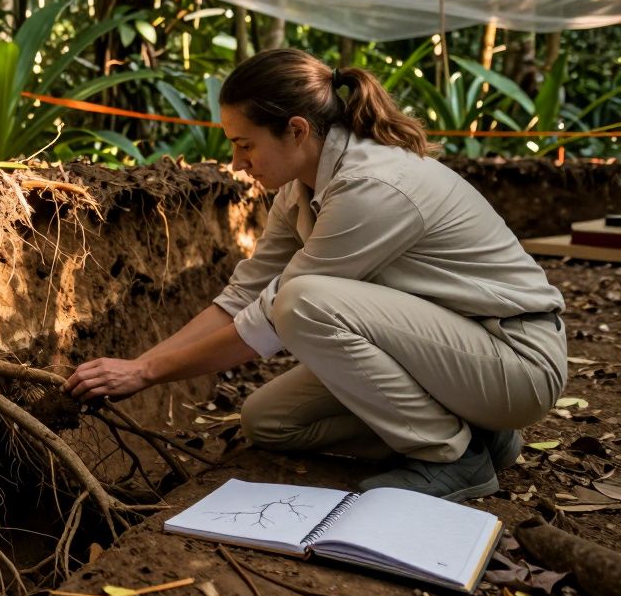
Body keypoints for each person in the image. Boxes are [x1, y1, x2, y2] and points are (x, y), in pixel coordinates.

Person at [63, 49, 567, 503]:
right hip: (451, 356)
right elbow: (244, 293)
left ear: (297, 130)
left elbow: (275, 316)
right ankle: (480, 434)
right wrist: (135, 364)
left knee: (302, 302)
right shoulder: (299, 188)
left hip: (514, 363)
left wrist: (148, 374)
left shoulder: (374, 186)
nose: (236, 163)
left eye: (245, 145)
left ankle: (452, 457)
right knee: (269, 422)